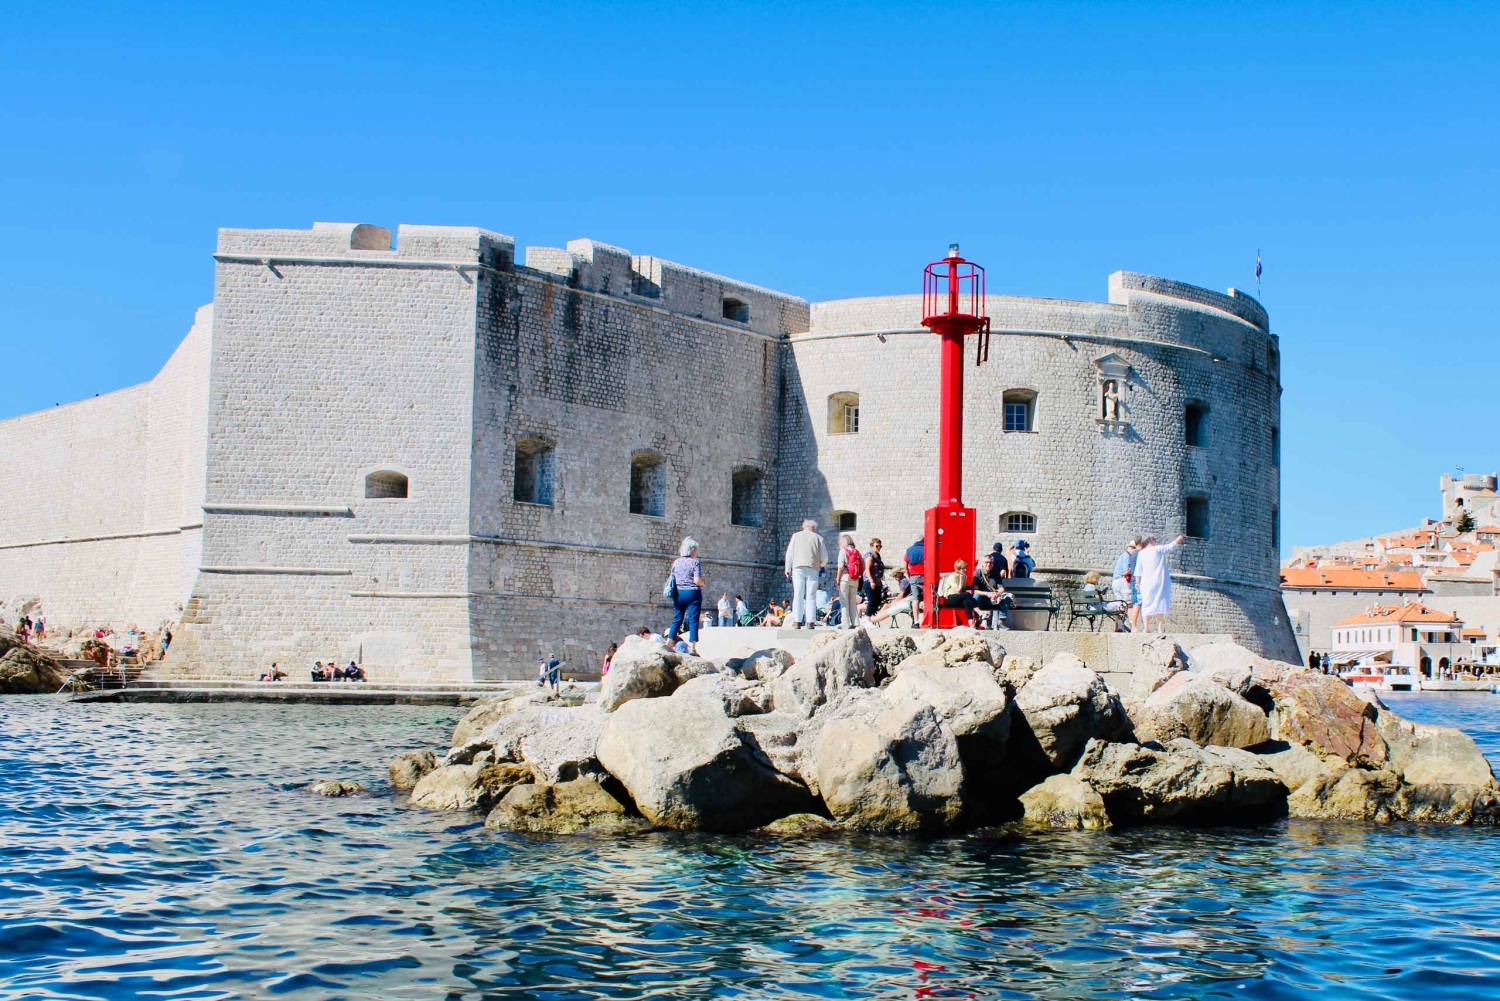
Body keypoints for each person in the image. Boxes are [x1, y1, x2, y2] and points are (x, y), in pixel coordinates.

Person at [1135, 534, 1185, 633]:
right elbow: (1171, 546)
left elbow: (1138, 569)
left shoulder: (1141, 553)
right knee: (1160, 602)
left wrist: (1137, 582)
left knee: (1146, 603)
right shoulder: (1157, 549)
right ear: (1151, 540)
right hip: (1159, 581)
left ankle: (1146, 627)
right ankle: (1160, 627)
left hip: (1146, 582)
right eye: (1155, 539)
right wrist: (1179, 539)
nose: (1156, 541)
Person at [784, 519, 828, 630]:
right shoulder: (818, 538)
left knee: (798, 594)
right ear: (814, 528)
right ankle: (810, 622)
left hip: (798, 567)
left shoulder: (796, 536)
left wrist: (787, 568)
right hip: (813, 568)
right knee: (811, 596)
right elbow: (825, 557)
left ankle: (797, 621)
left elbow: (789, 554)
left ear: (804, 527)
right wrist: (820, 564)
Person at [666, 537, 705, 655]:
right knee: (693, 619)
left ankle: (669, 642)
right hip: (693, 593)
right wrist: (703, 583)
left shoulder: (676, 562)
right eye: (695, 550)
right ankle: (693, 647)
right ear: (692, 550)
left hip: (679, 593)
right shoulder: (695, 562)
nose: (696, 552)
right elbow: (697, 580)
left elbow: (673, 578)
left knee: (677, 618)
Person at [971, 552, 1015, 628]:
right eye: (986, 562)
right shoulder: (977, 573)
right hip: (982, 598)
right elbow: (975, 590)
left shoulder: (996, 573)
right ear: (982, 563)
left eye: (991, 562)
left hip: (994, 599)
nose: (988, 564)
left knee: (1007, 598)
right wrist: (987, 594)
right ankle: (976, 620)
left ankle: (1001, 622)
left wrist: (997, 593)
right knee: (975, 597)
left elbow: (1001, 588)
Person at [935, 559, 981, 626]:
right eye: (963, 568)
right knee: (967, 595)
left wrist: (964, 581)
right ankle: (980, 612)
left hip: (959, 597)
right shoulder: (953, 576)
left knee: (967, 601)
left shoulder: (965, 576)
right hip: (949, 598)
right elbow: (958, 590)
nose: (965, 570)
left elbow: (962, 589)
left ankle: (971, 622)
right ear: (958, 569)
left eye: (965, 568)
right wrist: (961, 580)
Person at [1111, 538, 1141, 632]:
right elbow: (1127, 571)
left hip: (1116, 581)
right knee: (1129, 604)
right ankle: (1133, 627)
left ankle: (1119, 626)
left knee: (1121, 605)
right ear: (1132, 548)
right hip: (1123, 581)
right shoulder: (1127, 557)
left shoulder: (1122, 556)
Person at [836, 533, 864, 630]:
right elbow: (863, 565)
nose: (840, 544)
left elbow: (840, 566)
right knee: (852, 601)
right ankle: (855, 622)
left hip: (845, 577)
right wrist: (858, 575)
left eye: (841, 542)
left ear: (844, 542)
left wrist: (838, 578)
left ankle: (845, 624)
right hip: (855, 579)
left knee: (844, 601)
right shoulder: (857, 552)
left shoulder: (843, 551)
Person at [862, 538, 887, 620]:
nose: (879, 548)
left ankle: (870, 618)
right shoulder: (870, 556)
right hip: (870, 582)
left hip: (877, 582)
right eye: (877, 546)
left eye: (880, 546)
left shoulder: (877, 556)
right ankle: (867, 618)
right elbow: (867, 569)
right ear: (871, 546)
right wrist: (871, 581)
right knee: (872, 600)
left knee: (878, 600)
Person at [904, 538, 926, 623]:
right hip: (926, 577)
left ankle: (916, 621)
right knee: (928, 598)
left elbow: (905, 565)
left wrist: (909, 576)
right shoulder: (926, 549)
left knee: (915, 599)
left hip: (914, 577)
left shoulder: (909, 550)